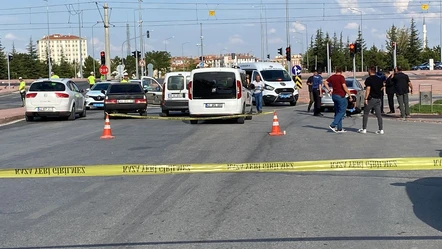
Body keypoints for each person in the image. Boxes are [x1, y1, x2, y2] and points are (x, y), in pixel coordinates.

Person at [358, 66, 384, 134]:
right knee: (379, 115)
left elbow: (368, 89)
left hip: (371, 98)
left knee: (366, 113)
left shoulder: (369, 79)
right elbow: (382, 87)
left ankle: (364, 129)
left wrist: (366, 98)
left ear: (369, 71)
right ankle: (381, 129)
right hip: (378, 98)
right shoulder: (380, 79)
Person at [327, 67, 353, 133]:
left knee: (337, 111)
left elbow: (325, 82)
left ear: (335, 71)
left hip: (334, 95)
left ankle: (339, 128)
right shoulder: (341, 77)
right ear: (341, 72)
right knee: (342, 111)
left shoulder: (332, 77)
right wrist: (349, 94)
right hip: (340, 96)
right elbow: (344, 86)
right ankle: (333, 125)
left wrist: (329, 90)